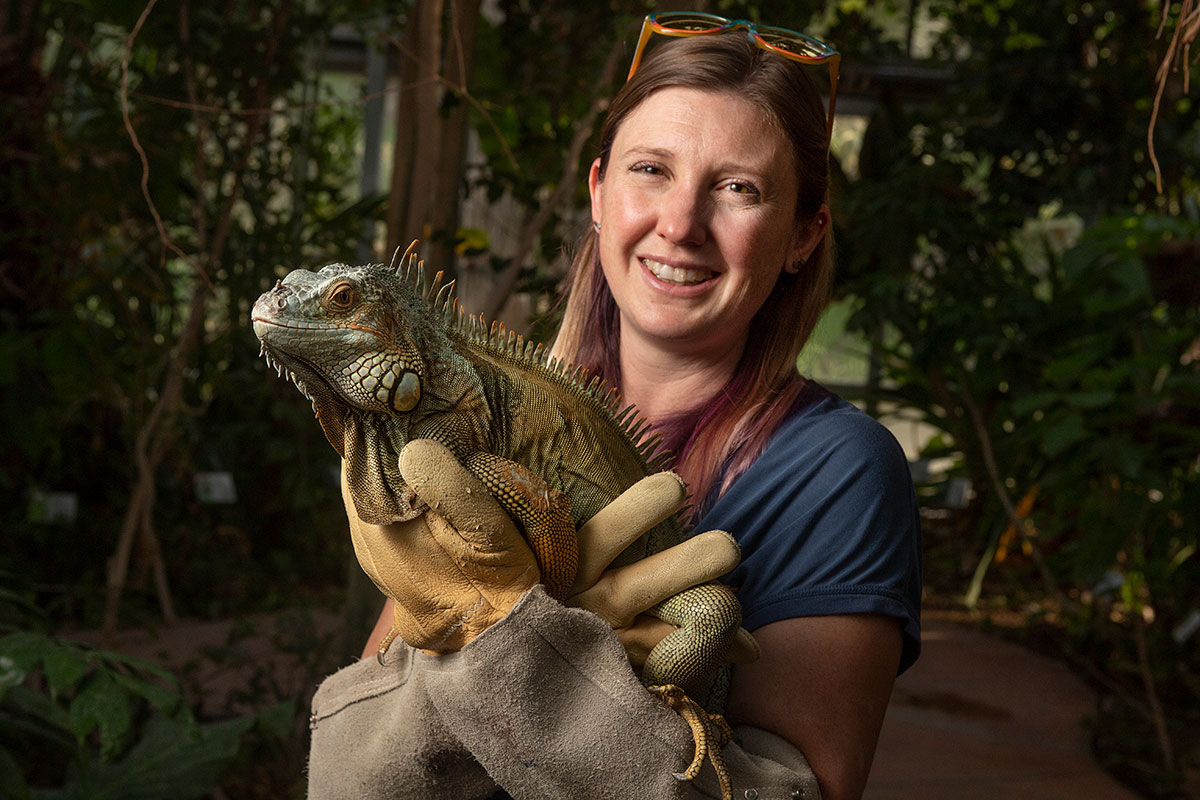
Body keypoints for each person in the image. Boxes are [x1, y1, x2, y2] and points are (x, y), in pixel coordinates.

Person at [308, 15, 921, 800]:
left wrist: (519, 648)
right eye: (651, 170)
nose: (680, 224)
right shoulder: (482, 421)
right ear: (600, 192)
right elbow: (352, 781)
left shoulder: (836, 471)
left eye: (739, 188)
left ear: (805, 234)